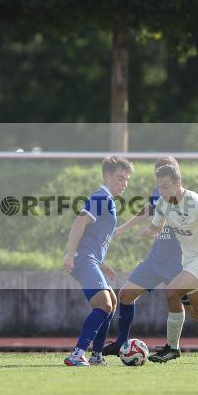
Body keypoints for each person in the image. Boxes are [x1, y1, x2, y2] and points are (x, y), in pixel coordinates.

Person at [110, 157, 198, 363]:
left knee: (176, 296)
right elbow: (154, 219)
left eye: (164, 186)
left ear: (177, 180)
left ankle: (173, 348)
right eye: (158, 186)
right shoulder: (162, 198)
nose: (160, 191)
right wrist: (148, 231)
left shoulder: (195, 202)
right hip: (178, 260)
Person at [62, 156, 133, 366]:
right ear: (106, 176)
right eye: (120, 178)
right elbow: (78, 223)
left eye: (126, 179)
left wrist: (103, 265)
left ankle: (97, 356)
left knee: (110, 302)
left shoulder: (108, 200)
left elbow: (93, 237)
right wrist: (70, 254)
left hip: (91, 259)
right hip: (83, 259)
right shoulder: (101, 197)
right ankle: (77, 354)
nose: (124, 183)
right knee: (104, 303)